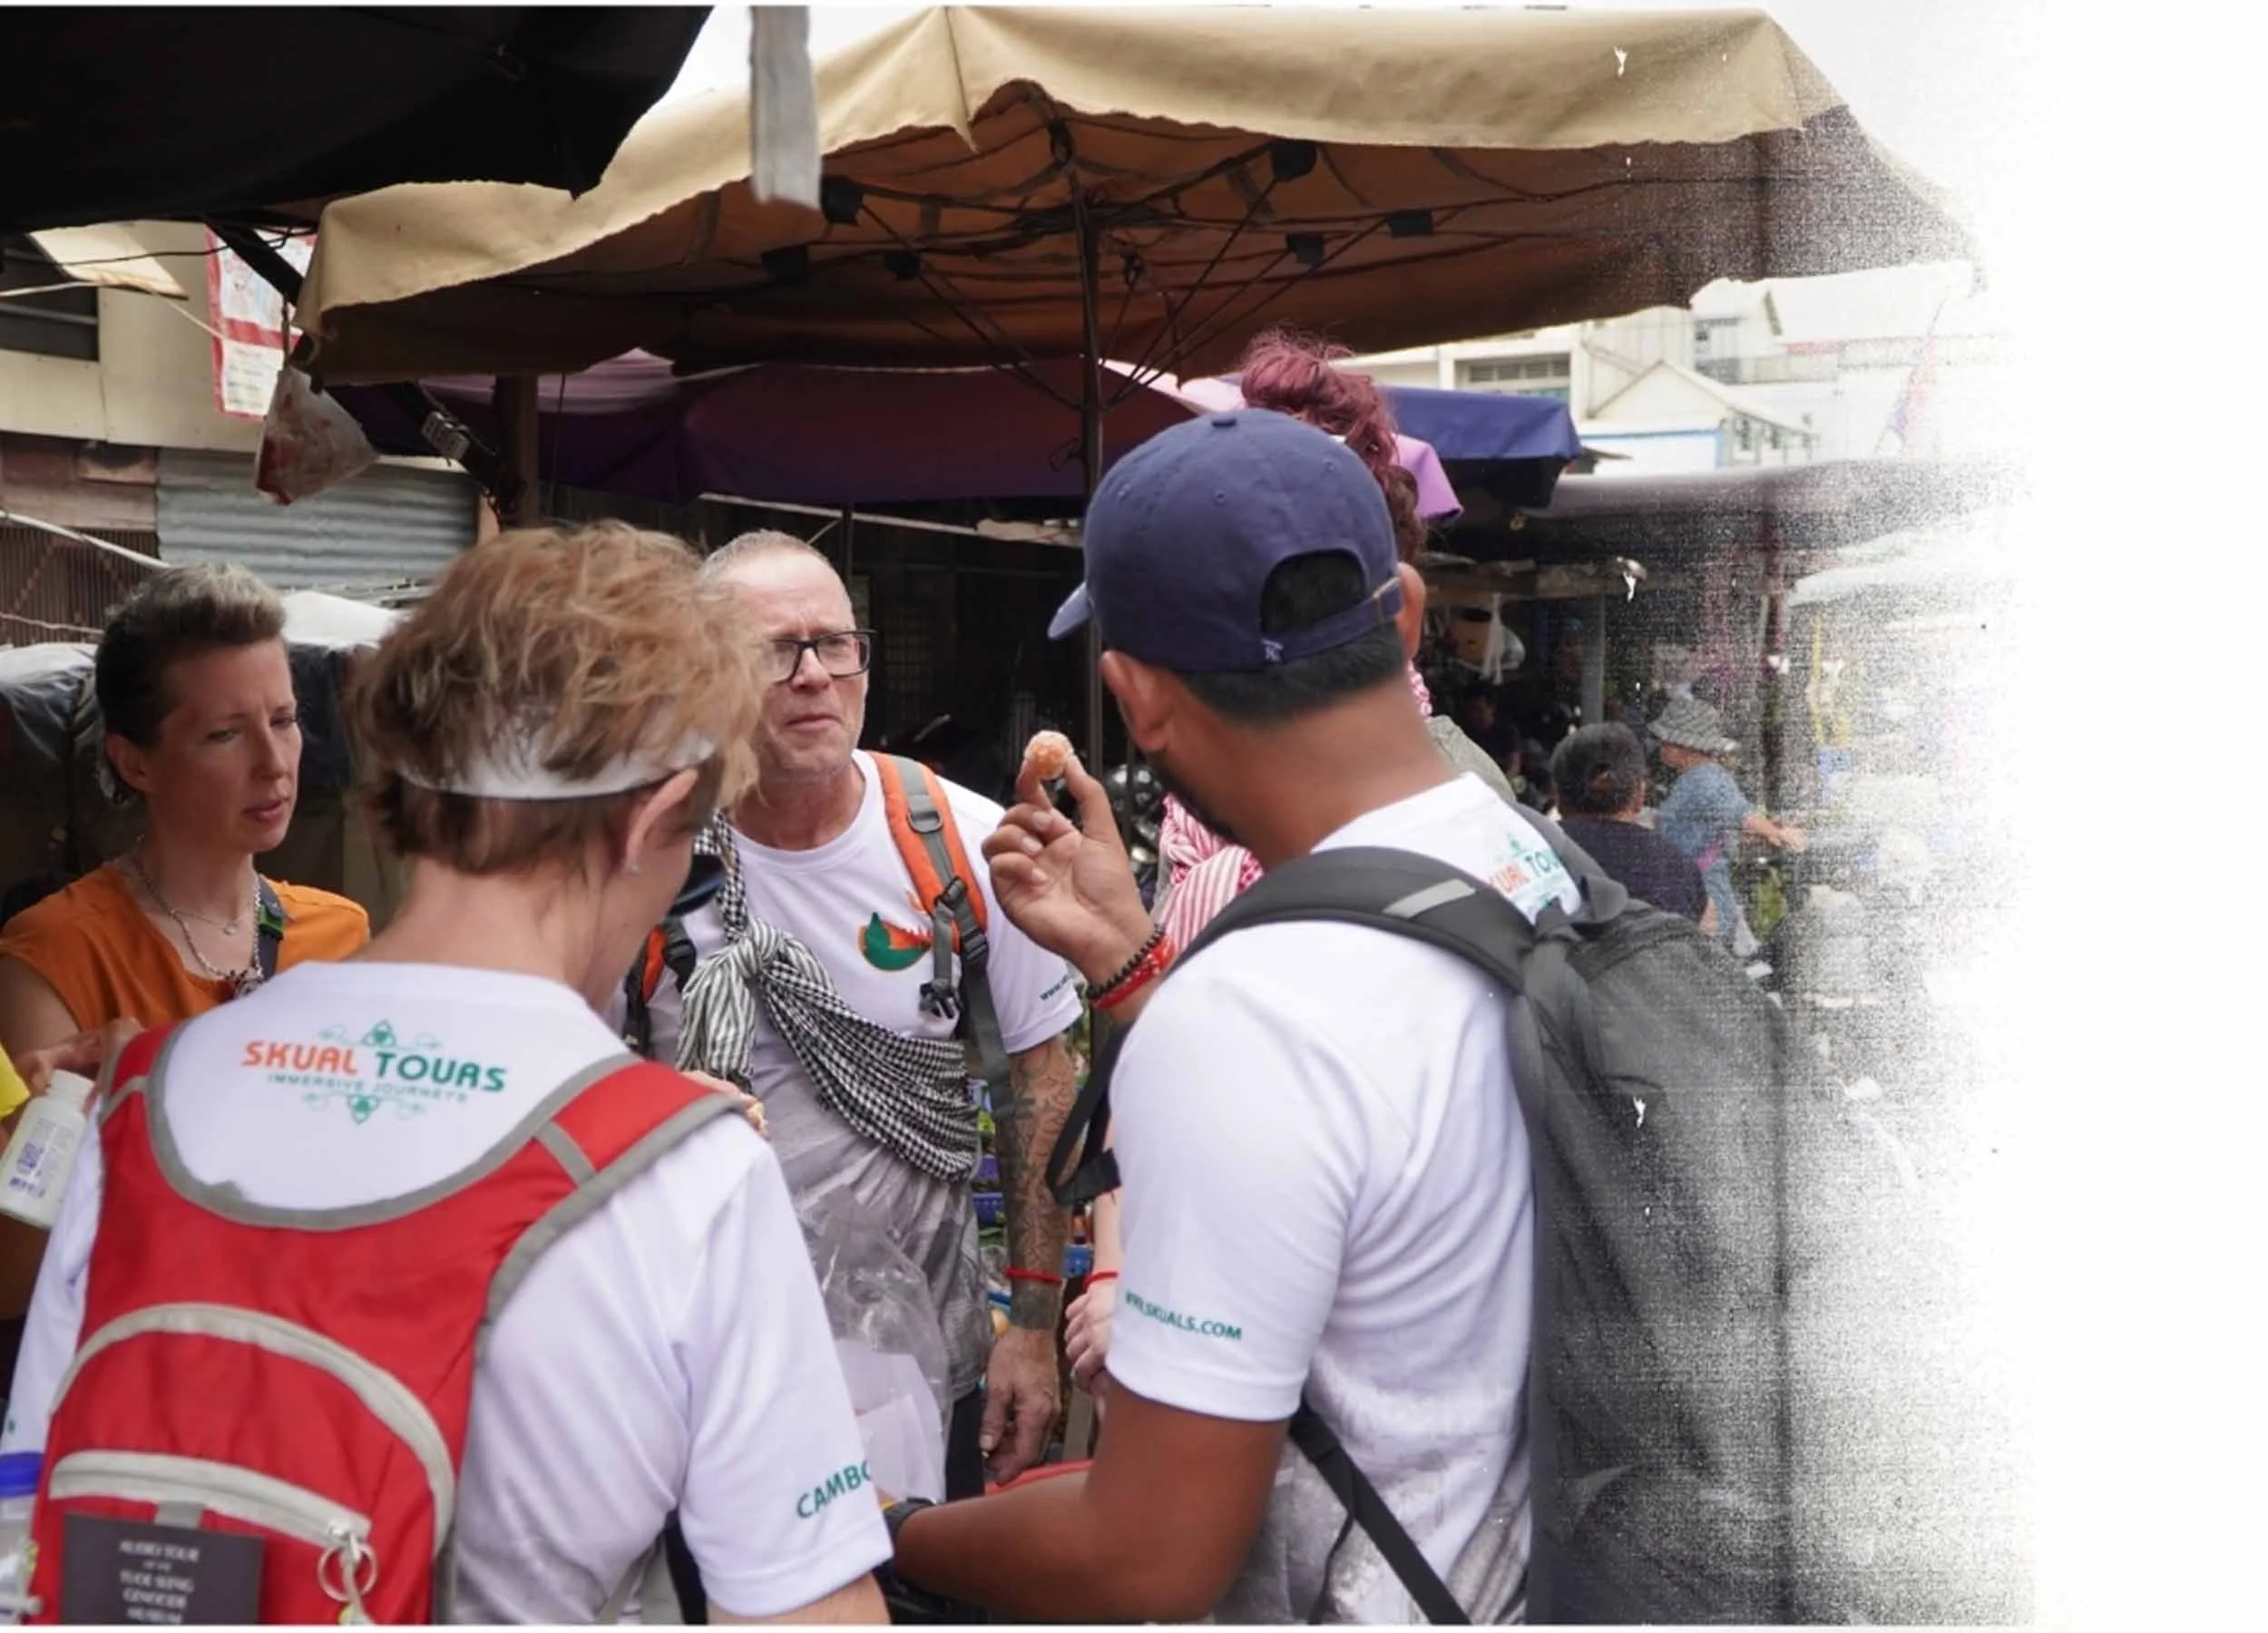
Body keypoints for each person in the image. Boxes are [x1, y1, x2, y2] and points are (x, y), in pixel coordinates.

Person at [1, 523, 889, 1623]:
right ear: (653, 818)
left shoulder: (142, 1100)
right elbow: (808, 1608)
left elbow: (28, 1532)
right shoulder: (684, 1169)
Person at [883, 409, 1579, 1623]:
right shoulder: (1532, 860)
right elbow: (1364, 1115)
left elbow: (1146, 1555)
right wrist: (1129, 962)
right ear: (1407, 617)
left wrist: (884, 1536)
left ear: (1136, 698)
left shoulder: (1246, 1016)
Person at [629, 531, 1084, 1500]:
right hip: (703, 1368)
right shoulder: (644, 861)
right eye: (774, 650)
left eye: (835, 643)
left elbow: (1042, 1077)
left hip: (921, 1366)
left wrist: (1034, 1326)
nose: (813, 675)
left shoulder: (963, 843)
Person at [0, 562, 367, 1315]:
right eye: (225, 735)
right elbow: (21, 1278)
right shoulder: (54, 953)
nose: (274, 764)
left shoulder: (341, 933)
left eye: (285, 720)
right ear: (135, 762)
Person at [1650, 696, 1805, 947]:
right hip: (1694, 891)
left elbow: (1740, 814)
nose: (1660, 747)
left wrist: (1774, 832)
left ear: (1683, 747)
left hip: (1703, 898)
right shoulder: (1695, 777)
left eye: (1664, 742)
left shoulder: (1705, 779)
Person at [1550, 723, 1716, 932]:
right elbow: (1706, 934)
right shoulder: (1679, 868)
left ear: (1557, 796)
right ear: (1639, 794)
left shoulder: (1535, 852)